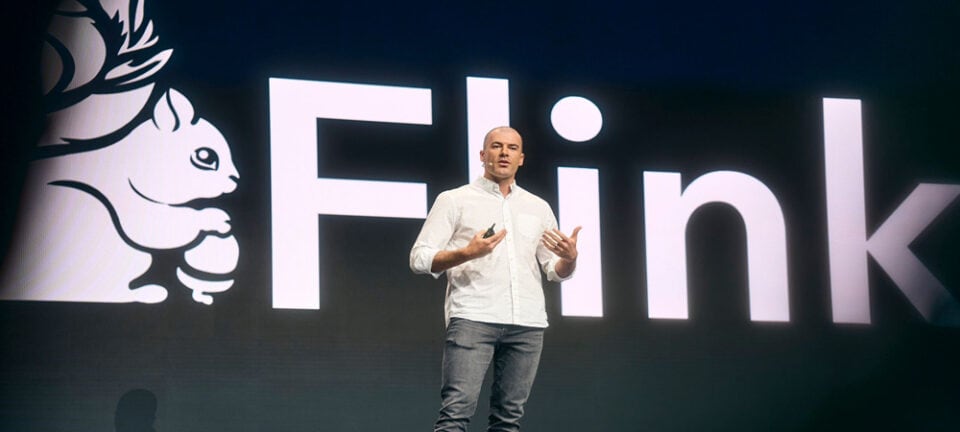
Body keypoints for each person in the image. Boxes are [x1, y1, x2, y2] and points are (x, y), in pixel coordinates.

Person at [410, 126, 581, 431]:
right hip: (474, 317)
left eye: (512, 148)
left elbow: (553, 270)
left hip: (527, 323)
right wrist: (467, 252)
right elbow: (419, 258)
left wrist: (569, 258)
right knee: (455, 415)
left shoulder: (538, 207)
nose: (504, 153)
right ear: (482, 154)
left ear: (521, 158)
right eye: (497, 146)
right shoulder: (455, 200)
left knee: (508, 420)